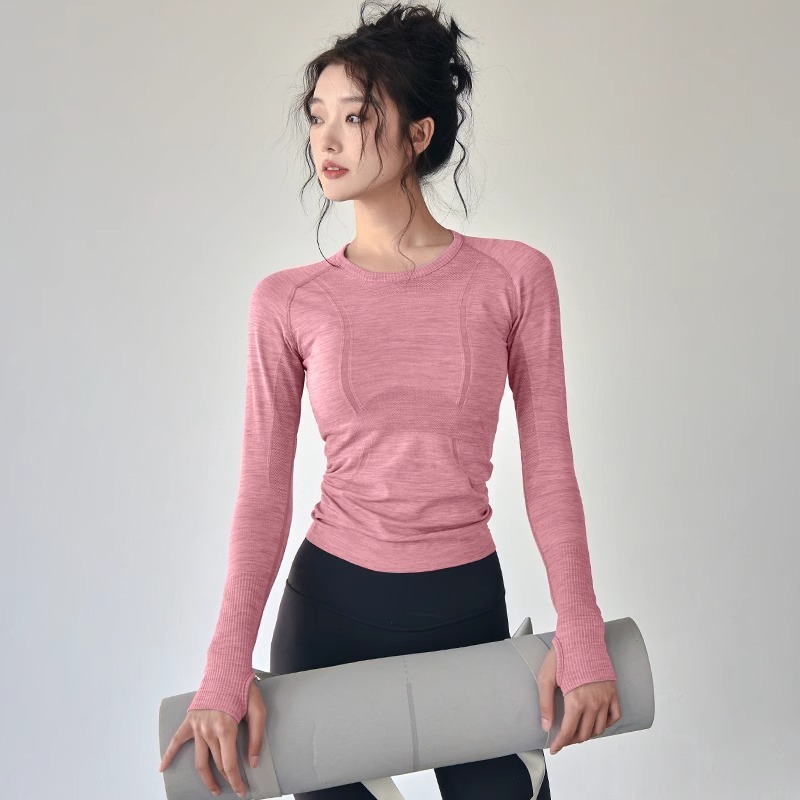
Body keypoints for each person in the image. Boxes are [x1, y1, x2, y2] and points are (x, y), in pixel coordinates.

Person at [159, 2, 621, 798]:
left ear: (418, 134)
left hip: (464, 611)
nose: (327, 140)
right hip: (330, 612)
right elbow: (263, 494)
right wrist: (225, 665)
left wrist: (581, 630)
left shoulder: (514, 278)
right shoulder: (287, 301)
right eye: (318, 117)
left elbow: (549, 469)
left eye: (356, 116)